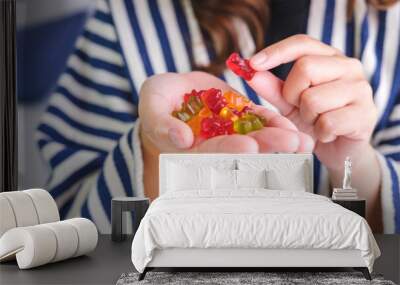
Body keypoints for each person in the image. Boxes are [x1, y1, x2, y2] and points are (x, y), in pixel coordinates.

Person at [36, 0, 400, 234]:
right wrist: (153, 157)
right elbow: (66, 230)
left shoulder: (391, 29)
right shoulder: (126, 18)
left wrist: (357, 168)